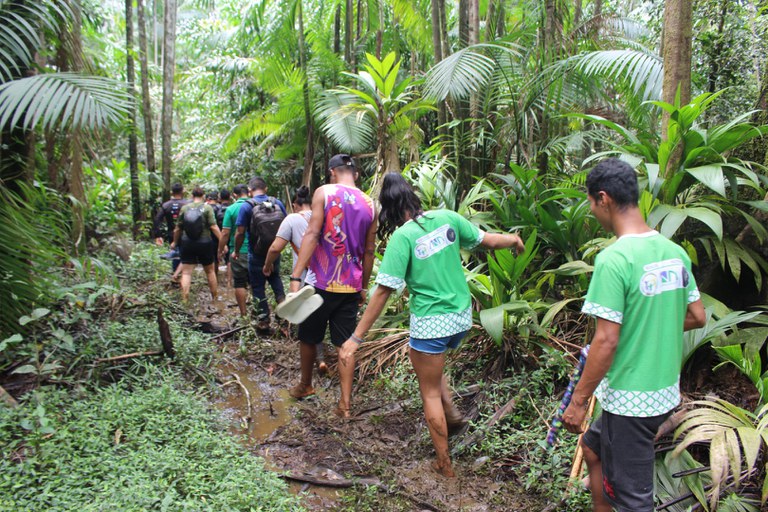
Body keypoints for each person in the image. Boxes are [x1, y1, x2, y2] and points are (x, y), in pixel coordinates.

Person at [337, 173, 525, 477]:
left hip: (431, 325)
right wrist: (514, 239)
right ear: (412, 197)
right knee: (432, 367)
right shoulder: (447, 218)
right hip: (461, 319)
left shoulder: (402, 237)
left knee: (429, 393)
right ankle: (450, 412)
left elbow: (383, 291)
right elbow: (487, 241)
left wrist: (355, 339)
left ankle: (444, 463)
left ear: (389, 209)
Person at [562, 158, 706, 512]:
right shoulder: (675, 255)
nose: (593, 211)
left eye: (592, 204)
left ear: (604, 198)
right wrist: (648, 326)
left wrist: (577, 402)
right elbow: (696, 316)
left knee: (634, 501)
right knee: (593, 449)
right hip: (661, 392)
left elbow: (607, 340)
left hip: (630, 400)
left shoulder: (615, 259)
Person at [287, 154, 376, 414]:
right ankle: (345, 405)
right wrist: (363, 286)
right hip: (350, 285)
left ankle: (305, 385)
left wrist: (296, 275)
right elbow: (369, 252)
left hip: (319, 282)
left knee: (308, 336)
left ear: (332, 172)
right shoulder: (371, 203)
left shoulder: (324, 192)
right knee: (344, 343)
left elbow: (313, 233)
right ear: (356, 174)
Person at [234, 176, 287, 331]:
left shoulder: (246, 206)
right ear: (266, 189)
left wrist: (236, 251)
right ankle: (284, 309)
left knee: (258, 286)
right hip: (275, 251)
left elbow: (240, 232)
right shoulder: (277, 203)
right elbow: (285, 226)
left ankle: (263, 321)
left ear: (250, 191)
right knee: (275, 278)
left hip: (256, 253)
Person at [172, 186, 222, 303]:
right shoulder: (207, 208)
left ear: (192, 196)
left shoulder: (185, 208)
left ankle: (185, 300)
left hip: (187, 242)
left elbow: (178, 229)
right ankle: (215, 298)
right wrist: (222, 242)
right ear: (203, 196)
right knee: (210, 271)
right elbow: (213, 227)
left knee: (186, 272)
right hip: (205, 243)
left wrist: (175, 242)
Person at [218, 184, 251, 318]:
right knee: (256, 283)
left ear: (234, 195)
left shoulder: (231, 209)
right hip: (256, 251)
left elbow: (225, 233)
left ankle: (244, 315)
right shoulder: (255, 206)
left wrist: (220, 250)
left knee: (239, 283)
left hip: (238, 251)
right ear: (248, 192)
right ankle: (259, 313)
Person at [152, 182, 189, 281]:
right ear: (182, 191)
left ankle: (176, 275)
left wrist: (157, 235)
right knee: (185, 255)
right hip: (185, 234)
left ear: (172, 192)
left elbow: (157, 220)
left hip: (171, 234)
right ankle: (182, 276)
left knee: (175, 254)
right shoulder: (187, 204)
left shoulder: (166, 205)